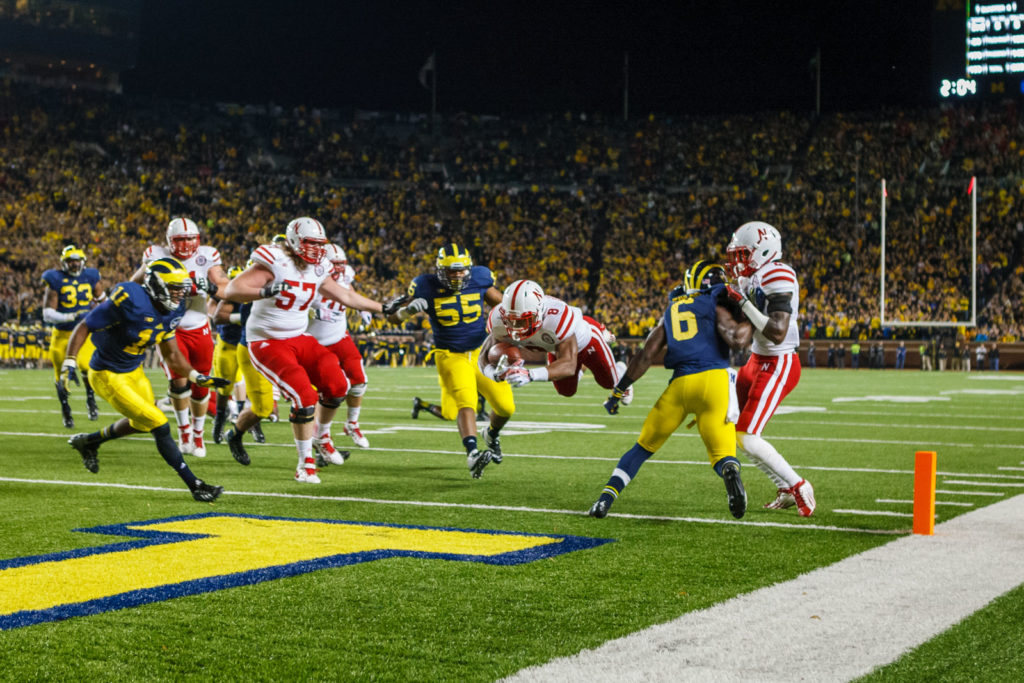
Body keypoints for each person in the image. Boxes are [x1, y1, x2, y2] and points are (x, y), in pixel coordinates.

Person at [223, 217, 385, 483]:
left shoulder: (318, 268)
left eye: (320, 244)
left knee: (337, 386)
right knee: (303, 396)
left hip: (299, 336)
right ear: (295, 241)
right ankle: (304, 464)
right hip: (267, 339)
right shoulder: (276, 260)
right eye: (310, 243)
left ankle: (322, 436)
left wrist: (383, 307)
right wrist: (267, 290)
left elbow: (345, 296)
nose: (317, 250)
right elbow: (233, 289)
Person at [590, 260, 753, 519]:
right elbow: (737, 339)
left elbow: (645, 356)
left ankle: (604, 500)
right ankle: (729, 470)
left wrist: (618, 391)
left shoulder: (673, 310)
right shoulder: (716, 304)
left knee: (641, 448)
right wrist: (751, 316)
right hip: (714, 382)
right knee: (723, 454)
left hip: (680, 386)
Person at [61, 257, 227, 502]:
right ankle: (195, 484)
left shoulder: (174, 308)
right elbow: (86, 325)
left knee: (141, 423)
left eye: (182, 289)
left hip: (133, 371)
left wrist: (195, 376)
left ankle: (89, 442)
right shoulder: (130, 299)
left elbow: (172, 353)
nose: (180, 295)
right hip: (107, 373)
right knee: (159, 424)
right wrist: (70, 360)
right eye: (174, 289)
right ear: (157, 286)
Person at [388, 244, 515, 479]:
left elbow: (503, 306)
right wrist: (406, 312)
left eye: (461, 271)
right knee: (466, 403)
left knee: (506, 407)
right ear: (440, 270)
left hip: (482, 352)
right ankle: (473, 453)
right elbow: (394, 318)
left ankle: (492, 435)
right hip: (450, 355)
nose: (457, 275)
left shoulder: (480, 278)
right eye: (451, 271)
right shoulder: (424, 285)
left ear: (468, 268)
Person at [724, 221, 816, 516]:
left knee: (748, 434)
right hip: (756, 359)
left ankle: (798, 484)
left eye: (742, 254)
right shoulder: (751, 278)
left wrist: (743, 303)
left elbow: (777, 331)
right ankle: (784, 488)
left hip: (779, 361)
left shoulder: (778, 272)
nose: (737, 262)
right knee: (729, 425)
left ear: (762, 250)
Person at [131, 218, 229, 458]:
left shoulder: (207, 256)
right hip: (170, 329)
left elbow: (225, 286)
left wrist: (211, 288)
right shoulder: (156, 255)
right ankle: (184, 431)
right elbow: (135, 284)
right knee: (178, 382)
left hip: (199, 327)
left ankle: (198, 434)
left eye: (189, 239)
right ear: (169, 241)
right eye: (180, 239)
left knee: (201, 383)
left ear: (197, 239)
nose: (185, 244)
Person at [479, 279, 632, 405]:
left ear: (539, 312)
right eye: (511, 320)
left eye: (524, 320)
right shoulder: (497, 320)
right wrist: (495, 375)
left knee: (610, 383)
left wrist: (530, 374)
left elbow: (569, 365)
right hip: (555, 347)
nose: (516, 327)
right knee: (566, 391)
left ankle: (621, 370)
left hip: (586, 340)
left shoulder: (556, 318)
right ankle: (583, 367)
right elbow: (483, 357)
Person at [307, 244, 375, 462]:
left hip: (339, 336)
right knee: (326, 392)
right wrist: (310, 310)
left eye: (341, 265)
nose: (338, 269)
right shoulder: (311, 276)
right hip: (313, 341)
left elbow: (348, 291)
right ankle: (319, 439)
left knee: (359, 381)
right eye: (334, 265)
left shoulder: (345, 274)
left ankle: (351, 424)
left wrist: (362, 308)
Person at [41, 245, 105, 428]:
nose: (74, 264)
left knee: (87, 366)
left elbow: (103, 300)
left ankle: (90, 399)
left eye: (77, 260)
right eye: (70, 261)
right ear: (64, 263)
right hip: (62, 334)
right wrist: (72, 316)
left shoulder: (92, 276)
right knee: (61, 376)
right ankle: (65, 408)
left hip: (84, 332)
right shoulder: (55, 279)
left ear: (83, 261)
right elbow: (47, 314)